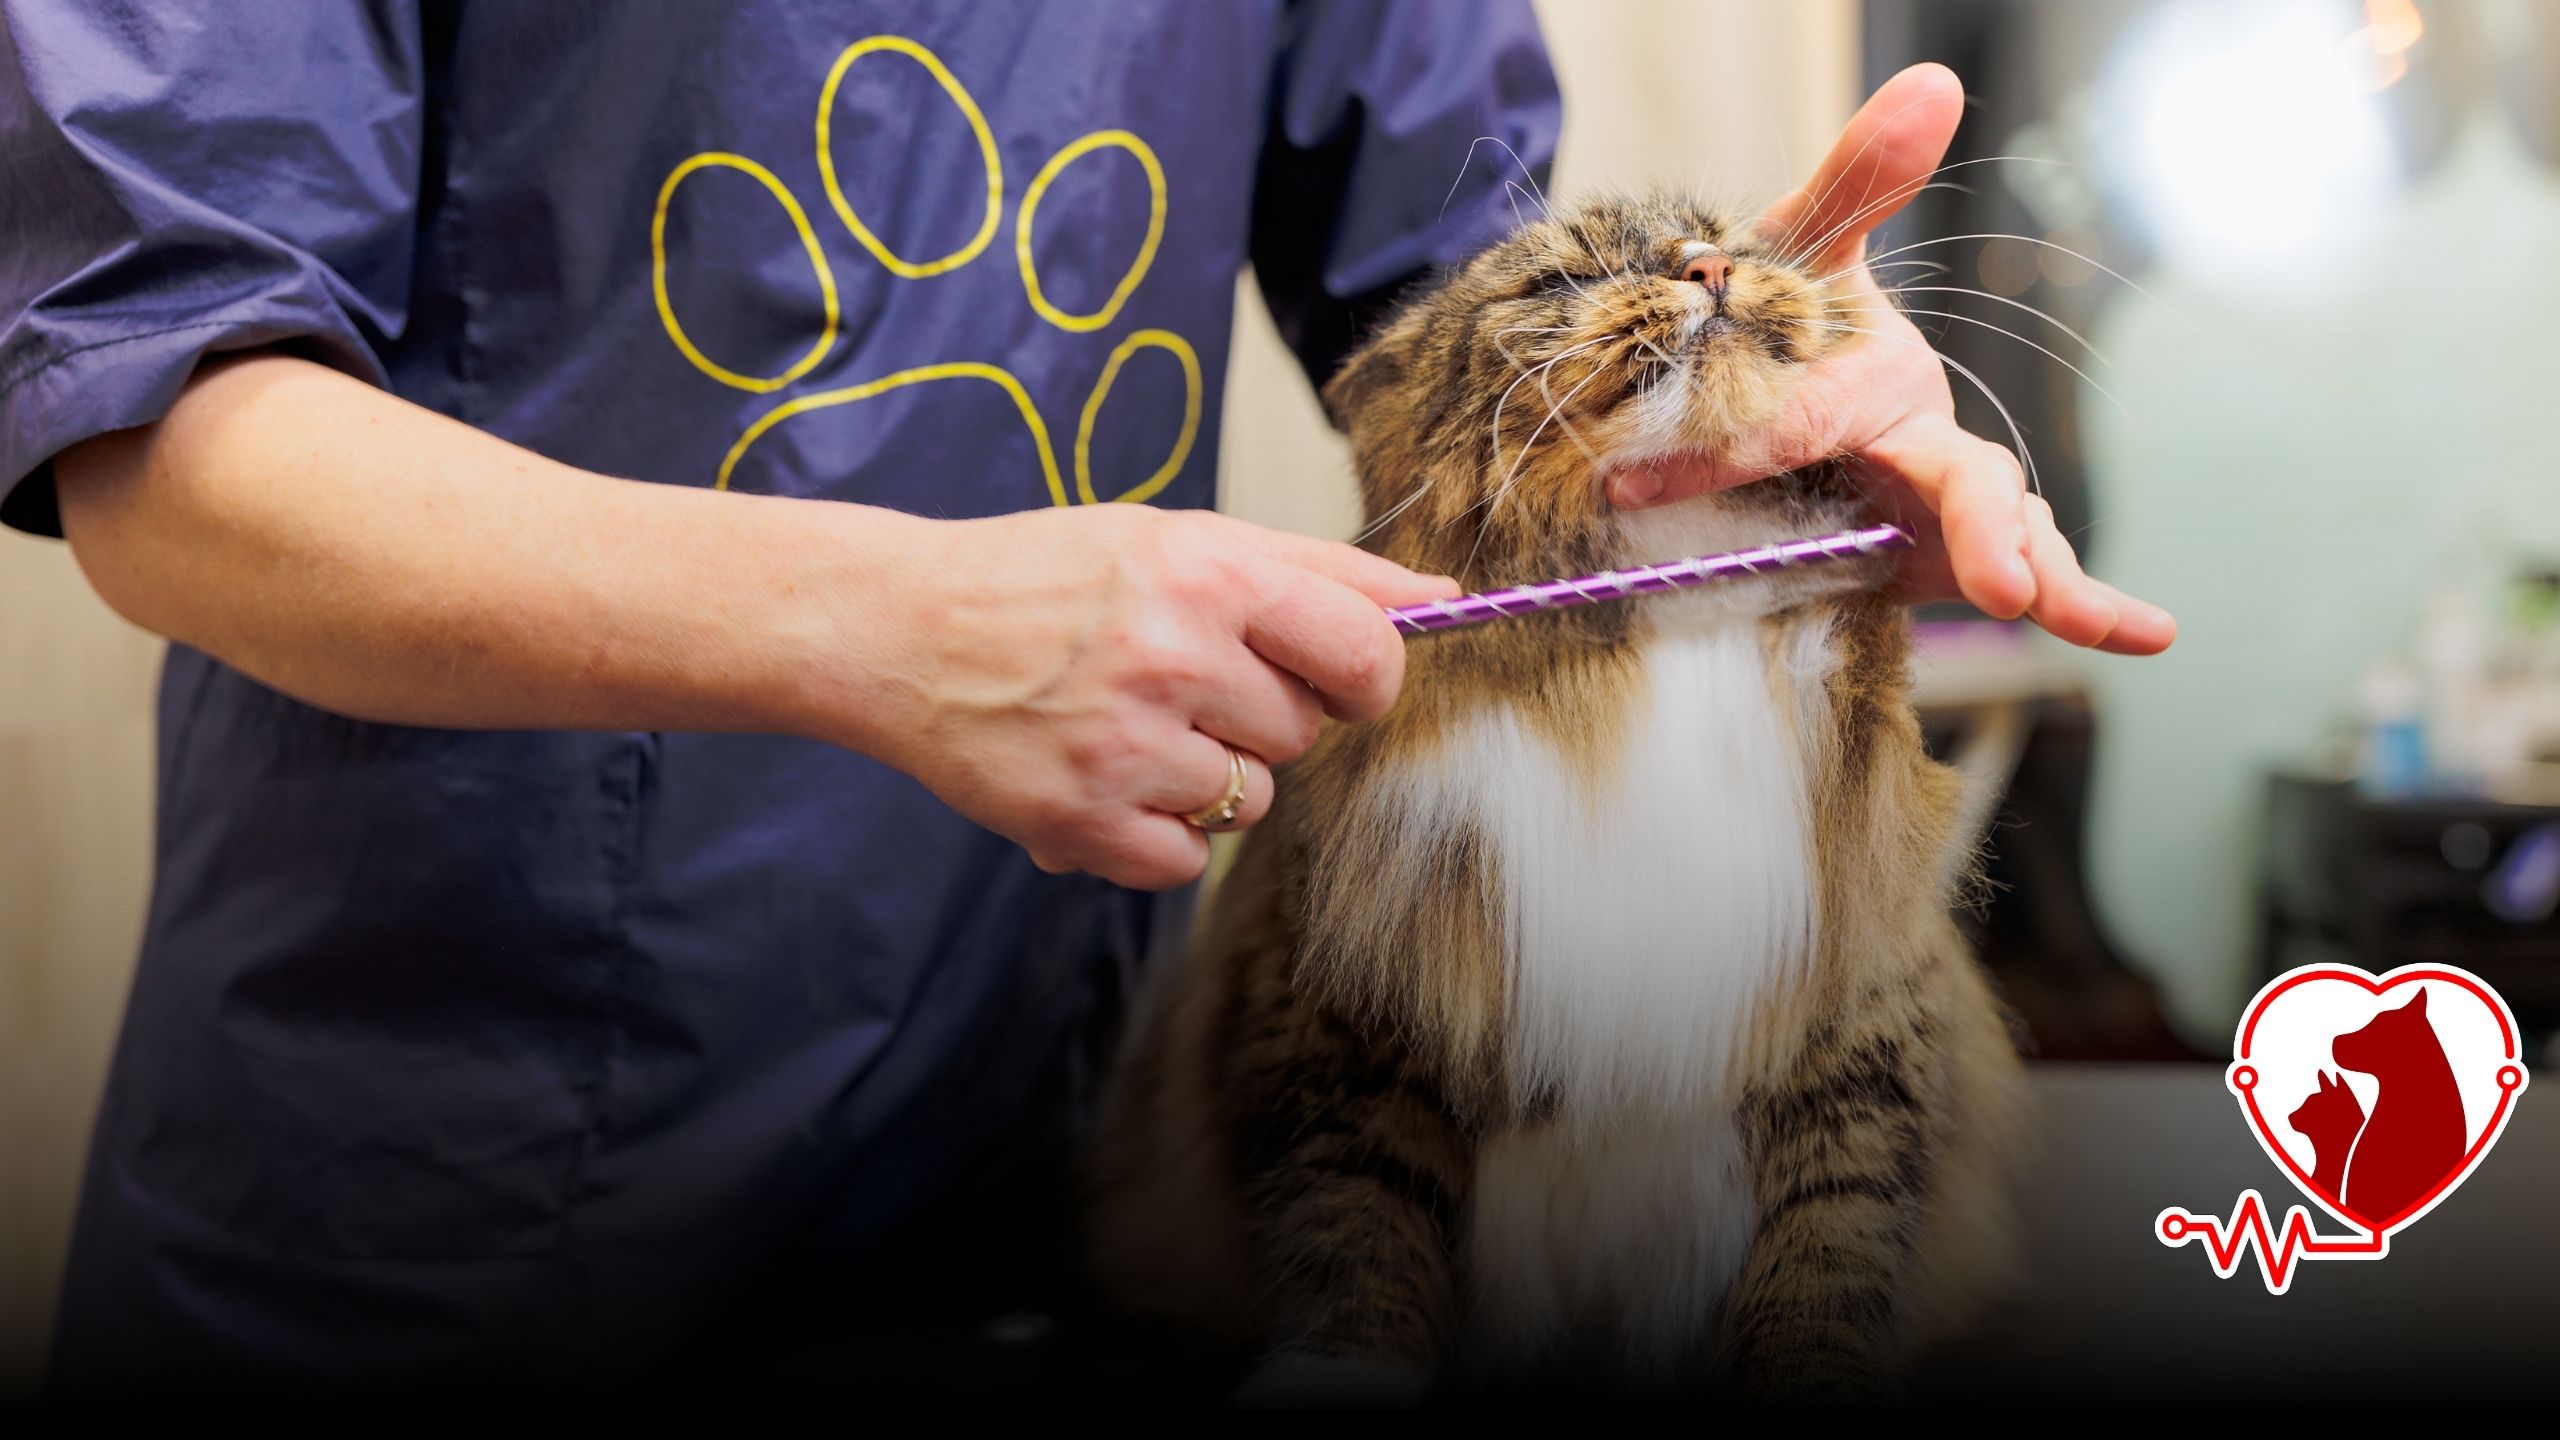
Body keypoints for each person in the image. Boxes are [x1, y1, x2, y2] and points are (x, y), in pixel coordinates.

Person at [0, 1, 2170, 1397]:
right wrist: (879, 624)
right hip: (431, 1198)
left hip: (1023, 1145)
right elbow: (161, 438)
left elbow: (1452, 320)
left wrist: (1719, 386)